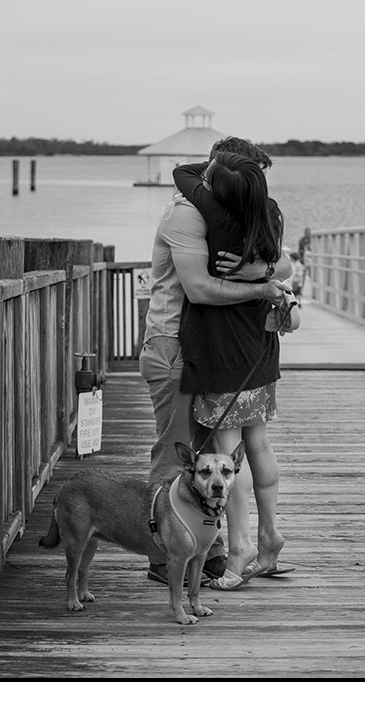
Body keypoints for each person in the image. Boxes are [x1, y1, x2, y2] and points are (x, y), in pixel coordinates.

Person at [139, 144, 291, 586]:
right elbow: (202, 289)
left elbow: (282, 258)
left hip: (211, 348)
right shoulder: (187, 215)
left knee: (212, 458)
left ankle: (210, 549)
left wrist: (257, 269)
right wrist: (263, 287)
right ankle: (162, 555)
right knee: (177, 452)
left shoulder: (236, 211)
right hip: (174, 345)